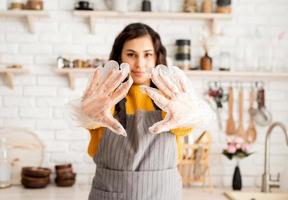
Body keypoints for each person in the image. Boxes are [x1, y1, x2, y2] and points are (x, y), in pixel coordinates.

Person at [74, 23, 213, 200]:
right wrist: (85, 113)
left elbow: (183, 128)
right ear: (120, 57)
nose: (140, 63)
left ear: (157, 58)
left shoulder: (171, 100)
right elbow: (91, 120)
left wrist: (188, 114)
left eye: (147, 54)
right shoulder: (103, 99)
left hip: (163, 194)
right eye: (131, 55)